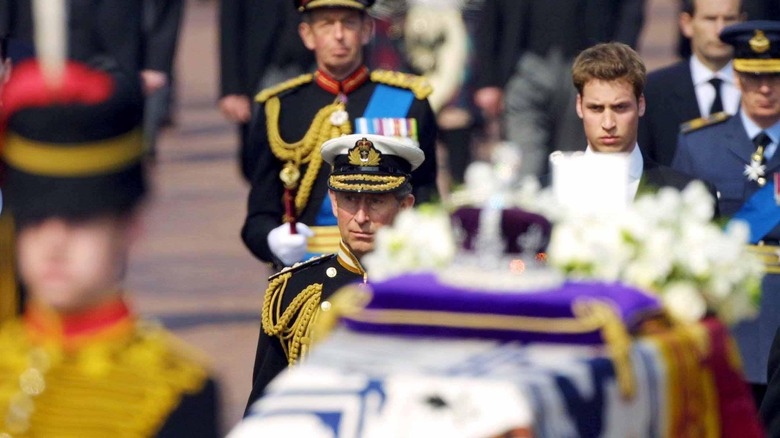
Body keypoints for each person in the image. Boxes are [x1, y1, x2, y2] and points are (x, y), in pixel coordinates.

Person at [0, 60, 219, 437]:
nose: (53, 243)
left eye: (79, 221)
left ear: (128, 228)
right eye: (35, 220)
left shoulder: (177, 391)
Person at [241, 0, 438, 268]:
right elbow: (259, 215)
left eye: (348, 23)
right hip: (307, 269)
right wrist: (273, 241)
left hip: (386, 264)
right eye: (326, 24)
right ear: (307, 35)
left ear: (367, 30)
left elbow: (426, 195)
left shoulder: (409, 101)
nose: (338, 35)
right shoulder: (280, 107)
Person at [244, 133, 422, 411]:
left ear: (404, 206)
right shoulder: (295, 292)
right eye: (350, 199)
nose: (361, 217)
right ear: (334, 203)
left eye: (375, 201)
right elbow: (265, 409)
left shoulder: (427, 291)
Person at [672, 20, 780, 403]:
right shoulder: (700, 143)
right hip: (728, 313)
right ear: (737, 78)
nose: (765, 89)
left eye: (775, 78)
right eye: (753, 78)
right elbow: (682, 232)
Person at [472, 0, 645, 179]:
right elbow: (490, 13)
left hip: (589, 65)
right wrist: (487, 79)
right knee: (525, 160)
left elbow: (630, 10)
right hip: (523, 64)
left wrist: (618, 64)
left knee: (575, 158)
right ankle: (524, 201)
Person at [570, 42, 717, 198]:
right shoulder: (545, 196)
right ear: (579, 106)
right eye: (596, 108)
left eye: (620, 107)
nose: (608, 124)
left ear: (641, 104)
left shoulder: (690, 196)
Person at [639, 0, 745, 166]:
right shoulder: (654, 90)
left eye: (729, 19)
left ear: (742, 23)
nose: (720, 30)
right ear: (687, 24)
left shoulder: (765, 88)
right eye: (710, 19)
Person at [218, 0, 313, 181]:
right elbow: (230, 19)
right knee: (261, 161)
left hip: (322, 59)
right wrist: (231, 87)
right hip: (264, 66)